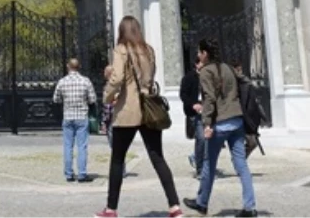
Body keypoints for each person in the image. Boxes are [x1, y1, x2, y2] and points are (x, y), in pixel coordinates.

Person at [92, 16, 183, 218]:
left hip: (128, 110)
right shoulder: (149, 50)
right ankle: (175, 207)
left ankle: (110, 209)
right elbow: (152, 76)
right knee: (158, 158)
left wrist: (107, 96)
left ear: (121, 31)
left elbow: (116, 79)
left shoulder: (121, 50)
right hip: (149, 109)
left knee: (117, 160)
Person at [184, 39, 256, 218]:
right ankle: (250, 207)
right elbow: (245, 81)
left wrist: (207, 123)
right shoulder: (228, 68)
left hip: (220, 123)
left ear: (205, 54)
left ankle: (202, 203)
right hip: (237, 120)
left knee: (209, 164)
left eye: (200, 52)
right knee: (241, 164)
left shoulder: (207, 72)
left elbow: (209, 99)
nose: (198, 55)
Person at [53, 57, 96, 182]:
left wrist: (65, 100)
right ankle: (82, 174)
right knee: (82, 146)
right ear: (79, 67)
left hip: (68, 116)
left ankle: (69, 174)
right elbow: (92, 99)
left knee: (68, 146)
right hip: (82, 116)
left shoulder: (62, 82)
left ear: (68, 66)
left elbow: (56, 99)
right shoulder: (85, 81)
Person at [180, 56, 204, 178]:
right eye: (201, 63)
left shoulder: (207, 76)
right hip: (195, 113)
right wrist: (192, 104)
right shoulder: (189, 77)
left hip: (207, 111)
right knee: (201, 138)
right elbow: (183, 94)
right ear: (196, 64)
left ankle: (196, 157)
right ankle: (200, 169)